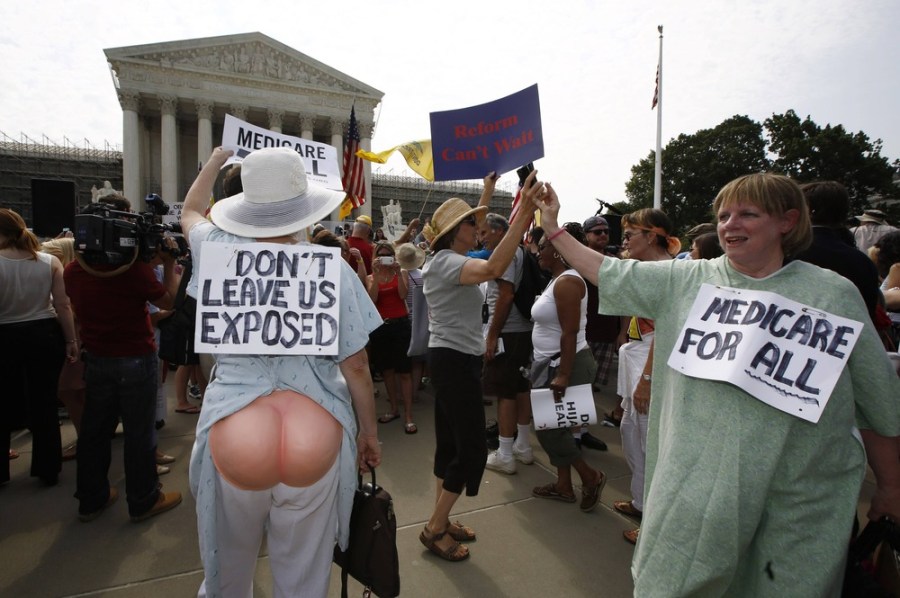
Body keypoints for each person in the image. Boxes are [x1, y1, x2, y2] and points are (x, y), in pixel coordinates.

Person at [535, 172, 900, 595]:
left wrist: (890, 485)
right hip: (696, 495)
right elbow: (607, 270)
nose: (730, 224)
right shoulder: (687, 280)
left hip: (799, 500)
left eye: (747, 213)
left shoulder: (833, 295)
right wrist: (552, 226)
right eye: (723, 215)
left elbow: (877, 402)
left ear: (787, 221)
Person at [182, 147, 382, 597]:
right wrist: (369, 433)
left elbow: (192, 210)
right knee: (304, 578)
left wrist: (214, 160)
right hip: (315, 431)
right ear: (303, 206)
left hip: (236, 428)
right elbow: (357, 364)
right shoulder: (332, 269)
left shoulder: (215, 250)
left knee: (227, 574)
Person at [419, 171, 536, 562]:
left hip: (451, 359)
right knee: (470, 453)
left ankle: (442, 517)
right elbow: (491, 270)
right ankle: (435, 528)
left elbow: (481, 227)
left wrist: (487, 189)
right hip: (454, 362)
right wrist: (525, 215)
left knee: (448, 446)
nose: (480, 227)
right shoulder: (451, 263)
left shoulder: (448, 258)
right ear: (457, 231)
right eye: (472, 222)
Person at [64, 196, 183, 522]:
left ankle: (91, 498)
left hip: (98, 358)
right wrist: (169, 264)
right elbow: (169, 300)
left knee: (94, 432)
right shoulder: (133, 271)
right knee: (139, 432)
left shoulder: (73, 271)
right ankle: (143, 499)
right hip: (136, 357)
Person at [611, 208, 682, 544]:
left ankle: (655, 522)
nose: (624, 241)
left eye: (630, 235)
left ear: (652, 236)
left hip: (653, 366)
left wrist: (647, 381)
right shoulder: (644, 270)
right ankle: (641, 502)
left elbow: (667, 331)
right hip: (637, 359)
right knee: (631, 432)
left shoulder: (673, 273)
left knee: (650, 442)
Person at [528, 222, 607, 512]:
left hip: (565, 366)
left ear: (559, 252)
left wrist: (562, 374)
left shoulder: (569, 282)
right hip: (551, 363)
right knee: (557, 426)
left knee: (550, 429)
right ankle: (563, 485)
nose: (538, 250)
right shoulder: (557, 279)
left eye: (543, 245)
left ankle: (590, 476)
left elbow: (570, 332)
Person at [0, 209, 78, 486]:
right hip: (44, 333)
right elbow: (63, 304)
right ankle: (48, 468)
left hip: (5, 334)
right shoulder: (49, 261)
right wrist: (71, 340)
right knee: (44, 401)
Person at [480, 212, 536, 474]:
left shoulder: (507, 253)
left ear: (499, 231)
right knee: (520, 386)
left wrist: (492, 334)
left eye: (484, 233)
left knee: (505, 391)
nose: (481, 239)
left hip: (508, 331)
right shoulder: (520, 250)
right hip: (521, 329)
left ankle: (505, 453)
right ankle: (522, 446)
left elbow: (505, 294)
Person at [368, 241, 416, 434]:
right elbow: (372, 299)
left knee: (405, 372)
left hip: (401, 325)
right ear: (376, 257)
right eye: (381, 255)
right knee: (387, 371)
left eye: (389, 254)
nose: (386, 257)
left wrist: (397, 273)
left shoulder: (402, 273)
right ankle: (394, 409)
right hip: (382, 327)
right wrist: (377, 274)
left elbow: (403, 295)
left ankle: (409, 416)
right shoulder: (372, 277)